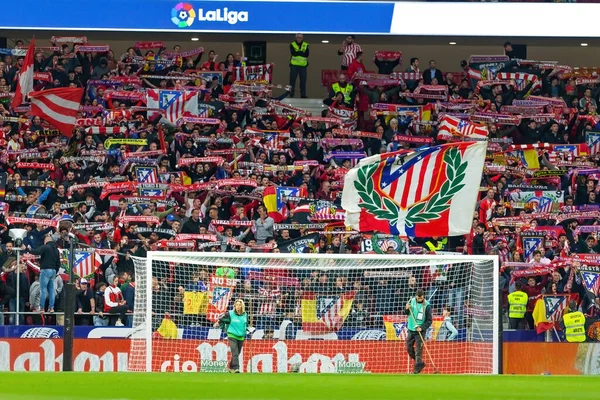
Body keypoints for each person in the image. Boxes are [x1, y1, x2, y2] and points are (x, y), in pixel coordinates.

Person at [29, 235, 60, 313]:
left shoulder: (46, 247)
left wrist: (28, 249)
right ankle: (51, 308)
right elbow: (58, 263)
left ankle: (42, 308)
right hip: (53, 271)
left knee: (43, 289)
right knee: (51, 290)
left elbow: (36, 252)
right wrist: (55, 271)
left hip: (45, 270)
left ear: (46, 240)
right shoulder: (56, 250)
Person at [218, 299, 251, 373]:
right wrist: (224, 328)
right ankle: (236, 368)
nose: (238, 306)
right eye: (237, 305)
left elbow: (246, 325)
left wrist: (249, 329)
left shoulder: (245, 315)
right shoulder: (230, 314)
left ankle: (230, 367)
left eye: (239, 305)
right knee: (235, 352)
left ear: (242, 306)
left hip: (241, 336)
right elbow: (221, 320)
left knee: (237, 353)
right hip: (232, 335)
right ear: (234, 306)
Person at [404, 289, 432, 374]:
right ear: (416, 296)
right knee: (409, 349)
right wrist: (406, 309)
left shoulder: (427, 305)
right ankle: (420, 363)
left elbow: (429, 321)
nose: (419, 299)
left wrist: (422, 327)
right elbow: (406, 313)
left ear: (423, 296)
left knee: (418, 351)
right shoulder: (411, 301)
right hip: (411, 329)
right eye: (418, 297)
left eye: (421, 298)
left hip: (420, 331)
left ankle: (417, 370)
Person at [289, 33, 309, 99]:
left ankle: (303, 95)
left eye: (301, 37)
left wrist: (298, 53)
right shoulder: (292, 44)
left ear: (302, 38)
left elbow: (306, 54)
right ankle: (291, 95)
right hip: (294, 65)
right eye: (298, 37)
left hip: (303, 66)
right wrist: (301, 53)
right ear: (296, 38)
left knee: (303, 81)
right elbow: (293, 53)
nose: (299, 39)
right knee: (292, 81)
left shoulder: (306, 44)